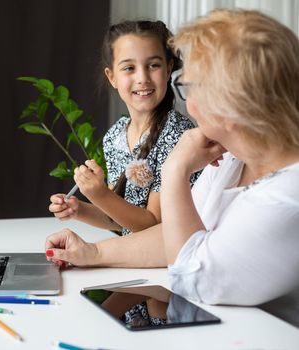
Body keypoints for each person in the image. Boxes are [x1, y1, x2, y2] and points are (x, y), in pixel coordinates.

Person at [45, 9, 299, 322]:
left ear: (233, 100)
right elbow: (173, 236)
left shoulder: (289, 196)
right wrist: (93, 253)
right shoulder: (230, 160)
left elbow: (191, 278)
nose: (188, 103)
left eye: (189, 86)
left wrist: (174, 170)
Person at [49, 20, 199, 236]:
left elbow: (154, 225)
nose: (142, 78)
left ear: (168, 69)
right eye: (129, 68)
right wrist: (79, 209)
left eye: (153, 65)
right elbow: (120, 219)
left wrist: (100, 195)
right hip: (135, 260)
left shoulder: (177, 134)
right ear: (112, 77)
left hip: (168, 261)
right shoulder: (115, 136)